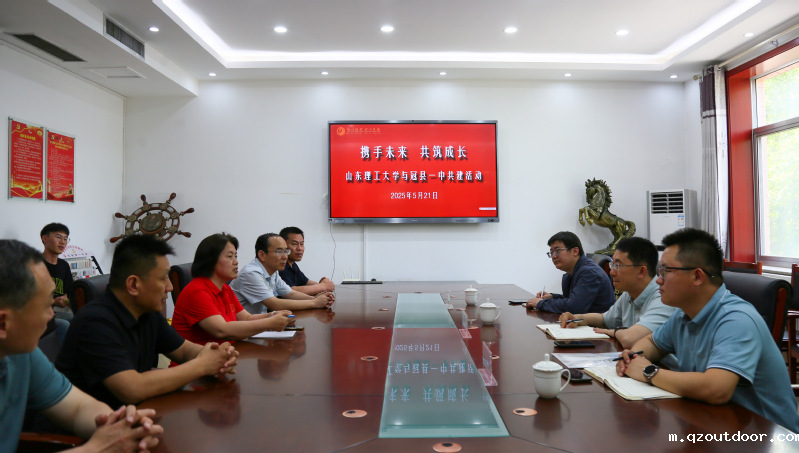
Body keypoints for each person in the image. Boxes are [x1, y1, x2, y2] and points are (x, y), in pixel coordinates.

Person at [616, 228, 799, 433]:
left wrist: (648, 371)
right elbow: (652, 342)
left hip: (767, 437)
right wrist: (634, 356)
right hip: (715, 423)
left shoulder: (737, 320)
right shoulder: (684, 314)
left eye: (665, 271)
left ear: (697, 276)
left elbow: (717, 389)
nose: (658, 280)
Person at [0, 239, 163, 453]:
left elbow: (79, 407)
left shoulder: (22, 354)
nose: (51, 316)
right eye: (47, 306)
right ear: (3, 324)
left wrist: (120, 424)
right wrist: (96, 448)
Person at [56, 234, 239, 410]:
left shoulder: (147, 312)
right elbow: (131, 389)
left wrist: (216, 355)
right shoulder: (95, 322)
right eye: (163, 278)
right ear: (133, 285)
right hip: (90, 426)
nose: (170, 287)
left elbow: (183, 350)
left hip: (136, 414)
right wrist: (202, 365)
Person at [171, 233, 293, 344]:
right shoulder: (197, 291)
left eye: (236, 256)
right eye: (230, 256)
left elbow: (247, 318)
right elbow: (222, 330)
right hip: (201, 359)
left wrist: (273, 315)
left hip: (227, 352)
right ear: (210, 261)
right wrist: (269, 323)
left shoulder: (225, 288)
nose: (236, 262)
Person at [558, 237, 676, 348]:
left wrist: (612, 332)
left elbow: (629, 339)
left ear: (641, 271)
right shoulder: (629, 293)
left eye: (618, 265)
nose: (612, 272)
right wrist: (577, 318)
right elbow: (605, 320)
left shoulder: (663, 299)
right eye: (612, 265)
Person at [231, 233, 335, 313]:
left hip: (259, 323)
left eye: (286, 251)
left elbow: (290, 293)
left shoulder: (273, 271)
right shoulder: (251, 273)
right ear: (262, 255)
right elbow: (274, 304)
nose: (285, 256)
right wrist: (314, 302)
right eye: (279, 251)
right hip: (241, 328)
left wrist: (317, 299)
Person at [526, 231, 615, 314]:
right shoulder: (575, 271)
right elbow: (573, 298)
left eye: (557, 251)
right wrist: (553, 297)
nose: (553, 256)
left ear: (575, 251)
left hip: (596, 325)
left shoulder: (589, 273)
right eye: (551, 252)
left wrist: (541, 303)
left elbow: (574, 307)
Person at [40, 222, 73, 343]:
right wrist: (54, 301)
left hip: (57, 311)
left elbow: (69, 291)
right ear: (45, 238)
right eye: (58, 237)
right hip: (38, 313)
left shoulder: (64, 265)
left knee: (84, 317)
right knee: (64, 324)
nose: (62, 242)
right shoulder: (34, 264)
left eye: (65, 238)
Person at [278, 226, 335, 295]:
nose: (299, 248)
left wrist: (323, 284)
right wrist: (323, 286)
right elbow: (290, 291)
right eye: (295, 244)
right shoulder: (280, 265)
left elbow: (306, 282)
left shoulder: (293, 264)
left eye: (302, 244)